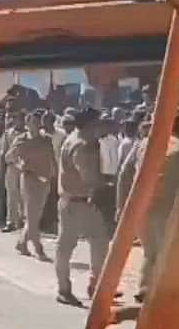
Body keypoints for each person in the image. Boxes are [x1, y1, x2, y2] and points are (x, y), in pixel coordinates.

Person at [118, 115, 179, 302]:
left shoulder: (143, 144)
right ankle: (160, 294)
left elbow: (124, 174)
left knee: (151, 252)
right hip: (165, 210)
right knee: (167, 254)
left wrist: (122, 206)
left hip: (140, 208)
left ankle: (144, 288)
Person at [54, 109, 112, 306]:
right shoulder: (83, 145)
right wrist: (107, 186)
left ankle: (72, 287)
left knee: (69, 246)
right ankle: (88, 286)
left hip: (71, 200)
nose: (101, 126)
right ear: (90, 125)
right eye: (98, 123)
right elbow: (89, 177)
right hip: (81, 201)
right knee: (95, 243)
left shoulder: (72, 138)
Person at [9, 110, 57, 259]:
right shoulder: (21, 140)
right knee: (32, 215)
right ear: (27, 124)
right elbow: (9, 157)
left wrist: (54, 175)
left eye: (37, 122)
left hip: (45, 180)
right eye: (32, 122)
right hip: (29, 179)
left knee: (36, 215)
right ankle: (38, 249)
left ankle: (22, 242)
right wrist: (20, 165)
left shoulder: (46, 140)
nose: (35, 125)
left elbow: (52, 158)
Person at [0, 112, 26, 232]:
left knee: (24, 194)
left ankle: (22, 221)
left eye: (22, 119)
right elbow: (3, 152)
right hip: (11, 166)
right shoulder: (8, 133)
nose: (20, 122)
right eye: (17, 119)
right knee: (11, 194)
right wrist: (1, 170)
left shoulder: (28, 134)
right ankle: (10, 221)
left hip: (24, 166)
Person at [95, 115, 121, 230]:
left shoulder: (113, 140)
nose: (104, 128)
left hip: (113, 175)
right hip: (101, 176)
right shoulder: (95, 141)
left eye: (106, 125)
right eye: (102, 125)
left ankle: (109, 228)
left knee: (111, 204)